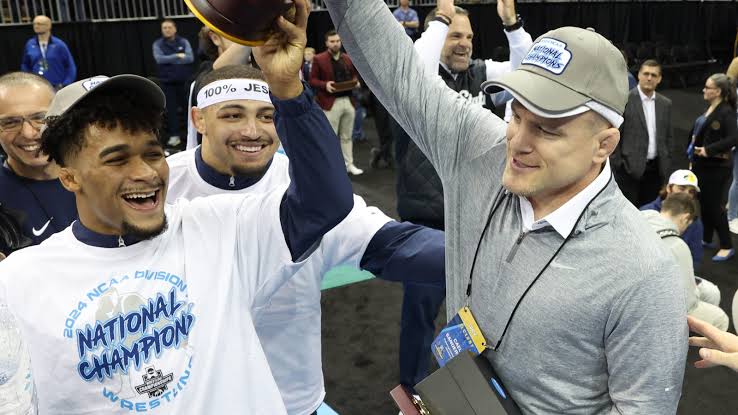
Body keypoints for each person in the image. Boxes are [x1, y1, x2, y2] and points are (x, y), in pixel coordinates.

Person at [323, 0, 688, 412]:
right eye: (515, 115)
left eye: (546, 129)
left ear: (603, 145)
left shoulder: (644, 272)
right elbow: (397, 72)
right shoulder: (481, 150)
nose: (517, 142)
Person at [0, 2, 354, 412]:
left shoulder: (218, 229)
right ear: (69, 177)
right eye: (116, 160)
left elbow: (326, 203)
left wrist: (288, 88)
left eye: (153, 154)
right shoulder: (20, 281)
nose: (145, 173)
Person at [168, 64, 445, 415]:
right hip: (194, 400)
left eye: (267, 116)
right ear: (199, 119)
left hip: (291, 398)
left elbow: (394, 245)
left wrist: (491, 260)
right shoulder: (160, 187)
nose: (252, 131)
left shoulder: (306, 188)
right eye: (233, 115)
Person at [394, 0, 533, 391]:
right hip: (427, 219)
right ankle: (414, 391)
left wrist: (512, 25)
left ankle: (468, 390)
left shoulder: (480, 75)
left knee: (477, 316)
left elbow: (528, 72)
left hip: (476, 218)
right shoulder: (417, 81)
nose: (465, 44)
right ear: (436, 35)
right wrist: (440, 18)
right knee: (420, 313)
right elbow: (414, 66)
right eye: (455, 35)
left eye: (469, 36)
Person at [0, 72, 76, 248]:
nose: (28, 133)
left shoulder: (97, 175)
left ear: (61, 117)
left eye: (40, 118)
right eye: (10, 122)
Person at [641, 192, 729, 331]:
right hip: (653, 308)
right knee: (720, 317)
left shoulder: (639, 217)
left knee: (710, 291)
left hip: (631, 293)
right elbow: (687, 303)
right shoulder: (677, 246)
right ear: (685, 218)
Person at [612, 60, 676, 207]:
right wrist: (620, 165)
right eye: (646, 74)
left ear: (659, 79)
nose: (649, 78)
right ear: (639, 75)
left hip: (655, 171)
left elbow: (669, 137)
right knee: (627, 212)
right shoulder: (625, 100)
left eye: (654, 75)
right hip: (629, 171)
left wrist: (666, 164)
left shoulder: (665, 104)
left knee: (649, 213)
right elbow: (615, 134)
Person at [690, 73, 738, 261]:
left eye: (707, 87)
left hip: (716, 167)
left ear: (717, 91)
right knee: (704, 202)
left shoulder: (726, 112)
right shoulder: (712, 107)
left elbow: (733, 138)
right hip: (703, 165)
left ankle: (726, 245)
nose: (704, 90)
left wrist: (708, 150)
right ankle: (707, 237)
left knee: (714, 205)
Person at [185, 26, 253, 150]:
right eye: (237, 35)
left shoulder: (270, 74)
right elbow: (220, 72)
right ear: (215, 38)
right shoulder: (204, 80)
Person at [309, 30, 363, 175]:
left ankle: (349, 164)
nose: (335, 44)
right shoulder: (319, 59)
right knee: (330, 137)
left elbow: (354, 75)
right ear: (326, 43)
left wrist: (356, 82)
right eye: (332, 41)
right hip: (330, 102)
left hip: (348, 100)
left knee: (347, 136)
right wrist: (325, 84)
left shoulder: (347, 58)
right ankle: (331, 167)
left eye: (338, 41)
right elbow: (312, 80)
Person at [640, 169, 704, 270]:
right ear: (669, 188)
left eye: (691, 192)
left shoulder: (694, 221)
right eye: (682, 188)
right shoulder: (645, 211)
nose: (686, 194)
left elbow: (695, 259)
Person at [152, 19, 194, 148]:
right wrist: (178, 56)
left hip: (184, 82)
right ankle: (174, 136)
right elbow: (160, 59)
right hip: (167, 83)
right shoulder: (158, 44)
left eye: (169, 27)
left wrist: (169, 59)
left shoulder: (183, 42)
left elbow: (190, 58)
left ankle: (191, 135)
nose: (167, 30)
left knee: (188, 110)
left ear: (175, 29)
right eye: (164, 28)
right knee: (171, 111)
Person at [20, 15, 76, 89]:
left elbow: (70, 66)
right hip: (38, 87)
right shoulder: (30, 44)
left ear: (48, 26)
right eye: (34, 24)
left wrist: (65, 84)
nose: (36, 26)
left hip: (57, 86)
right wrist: (28, 80)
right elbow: (25, 64)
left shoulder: (59, 45)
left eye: (39, 24)